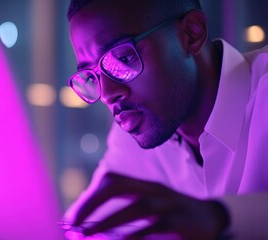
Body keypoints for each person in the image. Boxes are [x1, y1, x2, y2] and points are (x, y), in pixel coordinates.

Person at [64, 0, 268, 239]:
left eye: (123, 59)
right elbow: (85, 226)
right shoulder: (136, 133)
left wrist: (220, 217)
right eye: (92, 77)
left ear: (192, 34)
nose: (108, 94)